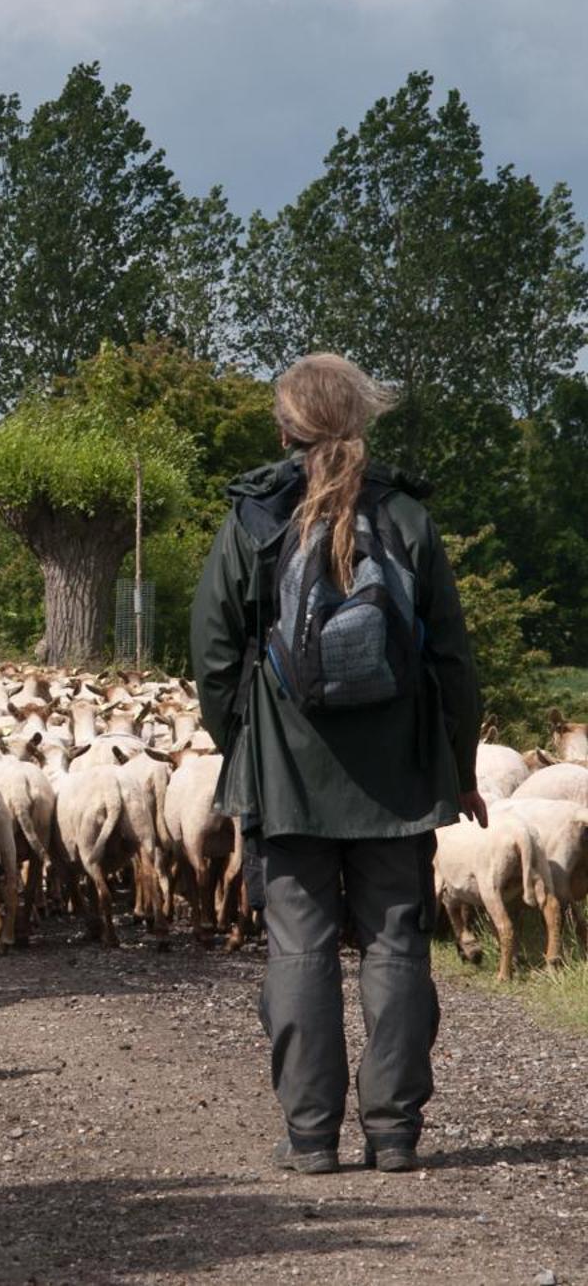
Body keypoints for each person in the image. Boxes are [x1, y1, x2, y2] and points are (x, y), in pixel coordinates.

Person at [192, 353, 482, 1176]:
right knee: (396, 944)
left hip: (287, 770)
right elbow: (454, 659)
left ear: (285, 427)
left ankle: (312, 1137)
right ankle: (393, 1133)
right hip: (400, 775)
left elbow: (215, 655)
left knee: (300, 949)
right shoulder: (409, 520)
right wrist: (458, 767)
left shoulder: (254, 520)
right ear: (361, 419)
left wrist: (245, 745)